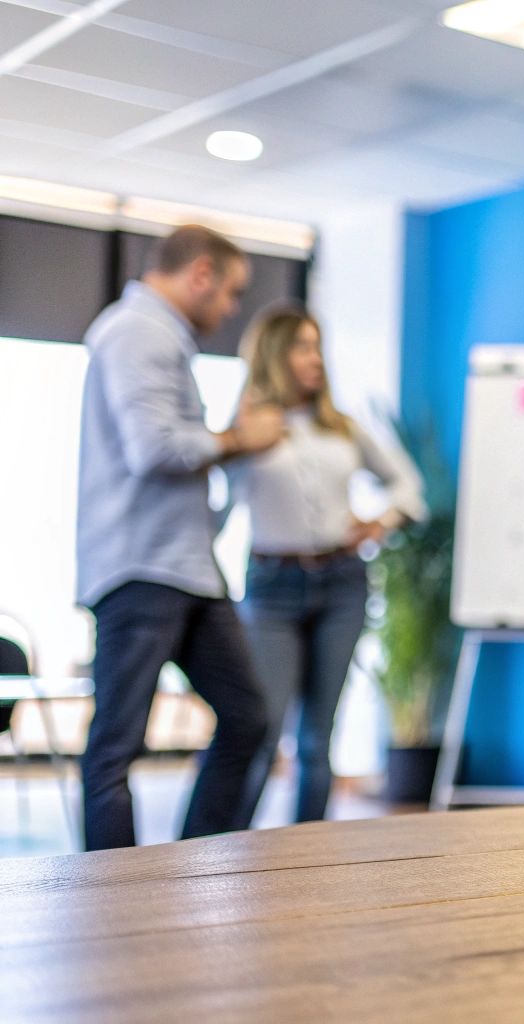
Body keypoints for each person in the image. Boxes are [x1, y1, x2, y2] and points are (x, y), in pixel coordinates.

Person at [76, 224, 282, 850]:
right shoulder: (137, 331)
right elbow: (154, 448)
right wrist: (237, 439)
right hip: (141, 570)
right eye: (231, 292)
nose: (232, 308)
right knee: (116, 747)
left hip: (189, 568)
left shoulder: (161, 336)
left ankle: (192, 863)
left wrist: (230, 446)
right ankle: (115, 889)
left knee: (247, 719)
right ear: (201, 275)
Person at [228, 306, 426, 823]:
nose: (316, 359)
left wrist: (382, 520)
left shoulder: (343, 429)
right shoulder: (249, 431)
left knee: (318, 736)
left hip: (342, 583)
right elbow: (216, 504)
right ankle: (227, 845)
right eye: (302, 347)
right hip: (271, 586)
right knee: (263, 728)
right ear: (274, 354)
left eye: (317, 347)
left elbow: (407, 484)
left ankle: (307, 852)